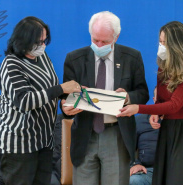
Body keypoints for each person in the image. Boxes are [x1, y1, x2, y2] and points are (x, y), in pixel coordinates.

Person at [61, 11, 149, 185]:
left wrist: (127, 97)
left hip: (116, 134)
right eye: (95, 40)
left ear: (116, 37)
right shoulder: (74, 59)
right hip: (85, 134)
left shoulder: (132, 58)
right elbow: (65, 98)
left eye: (105, 41)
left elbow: (143, 93)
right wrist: (66, 108)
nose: (99, 45)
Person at [0, 16, 80, 185]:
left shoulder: (42, 57)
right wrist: (62, 89)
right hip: (18, 145)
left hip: (43, 141)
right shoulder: (11, 64)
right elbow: (25, 101)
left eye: (44, 40)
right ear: (23, 39)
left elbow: (49, 88)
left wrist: (64, 101)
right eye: (38, 41)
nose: (42, 45)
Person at [117, 21, 183, 185]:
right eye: (160, 41)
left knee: (180, 179)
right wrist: (154, 112)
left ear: (177, 45)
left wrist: (138, 108)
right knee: (164, 177)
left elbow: (174, 105)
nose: (161, 46)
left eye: (165, 42)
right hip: (168, 129)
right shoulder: (162, 68)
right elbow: (161, 100)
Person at [130, 87, 159, 185]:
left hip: (174, 172)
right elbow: (128, 147)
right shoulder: (140, 121)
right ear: (154, 100)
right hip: (148, 171)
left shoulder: (178, 122)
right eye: (160, 97)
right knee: (134, 181)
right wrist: (135, 164)